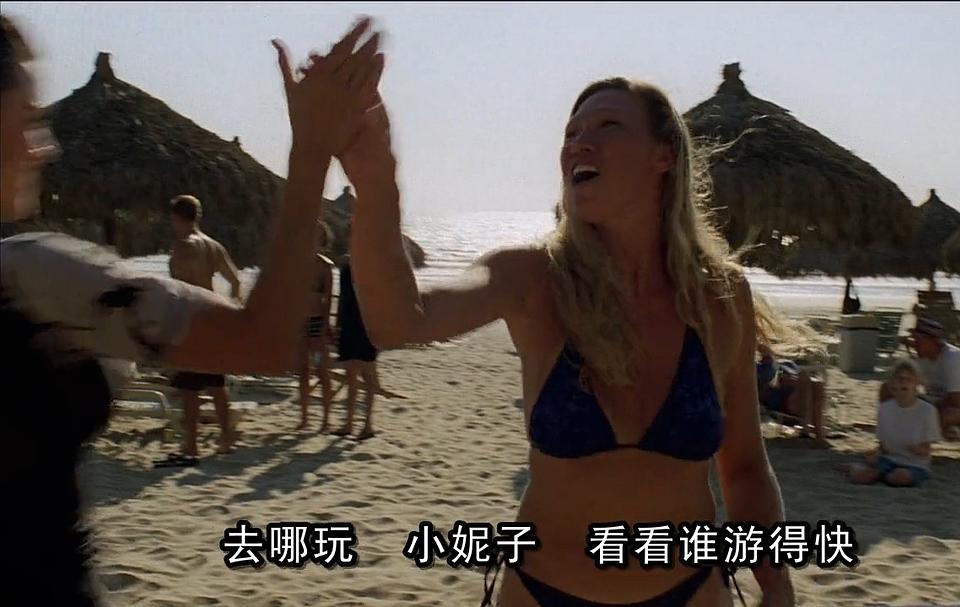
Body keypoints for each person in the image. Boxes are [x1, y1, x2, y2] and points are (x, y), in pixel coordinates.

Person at [338, 68, 796, 604]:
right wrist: (376, 182)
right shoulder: (531, 279)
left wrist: (777, 588)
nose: (579, 142)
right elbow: (398, 320)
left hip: (690, 591)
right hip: (544, 592)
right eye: (571, 133)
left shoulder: (718, 297)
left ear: (663, 156)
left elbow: (744, 468)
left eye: (607, 125)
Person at [1, 14, 385, 605]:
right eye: (29, 121)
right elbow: (263, 341)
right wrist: (311, 151)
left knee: (202, 394)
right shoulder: (30, 276)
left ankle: (207, 443)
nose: (45, 146)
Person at [166, 194, 243, 460]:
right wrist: (232, 310)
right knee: (215, 384)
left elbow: (178, 287)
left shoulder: (183, 246)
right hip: (213, 316)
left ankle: (191, 444)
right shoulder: (213, 245)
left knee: (189, 388)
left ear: (177, 218)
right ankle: (226, 438)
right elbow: (235, 280)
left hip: (191, 318)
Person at [846, 359, 942, 487]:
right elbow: (883, 446)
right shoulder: (885, 408)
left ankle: (879, 474)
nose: (903, 382)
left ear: (916, 383)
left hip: (915, 464)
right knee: (860, 478)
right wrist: (876, 454)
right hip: (889, 460)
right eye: (899, 378)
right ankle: (866, 470)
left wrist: (914, 449)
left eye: (908, 379)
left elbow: (927, 450)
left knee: (900, 477)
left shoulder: (927, 411)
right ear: (892, 383)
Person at [881, 316, 960, 432]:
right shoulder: (922, 357)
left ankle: (917, 436)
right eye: (913, 339)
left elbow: (955, 401)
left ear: (932, 341)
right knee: (887, 388)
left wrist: (924, 408)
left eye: (918, 340)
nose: (914, 344)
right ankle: (891, 431)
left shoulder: (953, 358)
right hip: (931, 402)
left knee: (947, 413)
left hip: (959, 409)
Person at [334, 252, 380, 439]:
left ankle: (368, 425)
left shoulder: (374, 266)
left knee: (367, 375)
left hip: (368, 325)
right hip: (348, 324)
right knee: (350, 375)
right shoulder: (346, 265)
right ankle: (349, 423)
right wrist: (338, 324)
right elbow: (343, 297)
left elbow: (382, 298)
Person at [297, 220, 335, 431]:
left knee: (321, 370)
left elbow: (328, 299)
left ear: (322, 240)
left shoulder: (324, 266)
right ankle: (304, 418)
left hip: (317, 326)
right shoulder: (298, 264)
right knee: (303, 371)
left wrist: (325, 325)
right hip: (300, 326)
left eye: (317, 236)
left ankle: (326, 420)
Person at [756, 343, 827, 446]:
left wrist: (791, 379)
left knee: (817, 385)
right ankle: (814, 432)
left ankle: (814, 431)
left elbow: (795, 377)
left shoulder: (786, 363)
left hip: (799, 399)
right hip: (780, 401)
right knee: (805, 380)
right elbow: (766, 383)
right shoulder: (756, 368)